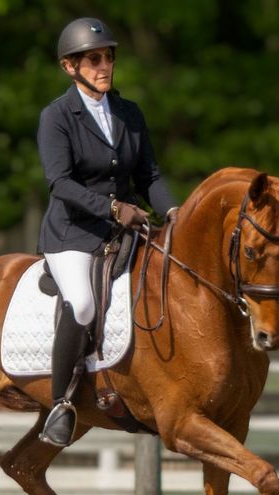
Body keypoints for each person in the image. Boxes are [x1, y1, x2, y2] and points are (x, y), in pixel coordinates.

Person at [36, 17, 179, 447]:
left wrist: (174, 212)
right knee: (81, 303)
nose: (104, 66)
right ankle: (61, 404)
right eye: (94, 59)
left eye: (109, 57)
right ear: (70, 67)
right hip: (73, 233)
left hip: (126, 230)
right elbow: (60, 183)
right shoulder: (57, 116)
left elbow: (150, 174)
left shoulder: (129, 113)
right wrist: (116, 208)